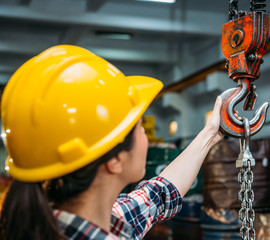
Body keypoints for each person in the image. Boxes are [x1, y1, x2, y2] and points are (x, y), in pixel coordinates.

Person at [0, 45, 224, 240]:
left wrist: (210, 133)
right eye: (140, 128)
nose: (146, 137)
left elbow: (160, 193)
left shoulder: (81, 221)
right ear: (115, 160)